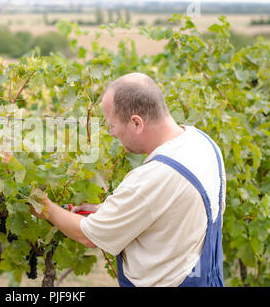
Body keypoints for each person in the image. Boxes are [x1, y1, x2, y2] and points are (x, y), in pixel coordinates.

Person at [30, 72, 226, 287]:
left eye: (112, 125)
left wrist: (44, 207)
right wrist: (111, 211)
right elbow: (171, 210)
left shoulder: (153, 177)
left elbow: (88, 236)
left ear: (136, 123)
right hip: (207, 278)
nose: (112, 134)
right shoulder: (203, 143)